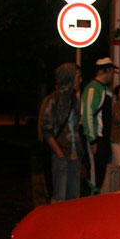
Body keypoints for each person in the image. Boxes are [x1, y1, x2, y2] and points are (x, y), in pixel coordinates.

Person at [41, 63, 82, 203]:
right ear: (69, 78)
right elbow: (46, 130)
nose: (80, 80)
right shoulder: (54, 100)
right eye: (77, 76)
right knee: (59, 197)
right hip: (62, 154)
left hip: (74, 154)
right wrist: (59, 152)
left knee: (73, 198)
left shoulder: (73, 98)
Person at [81, 57, 117, 193]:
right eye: (112, 70)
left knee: (100, 174)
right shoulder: (92, 89)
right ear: (107, 70)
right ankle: (90, 201)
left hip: (104, 138)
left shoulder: (106, 90)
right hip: (97, 138)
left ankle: (94, 197)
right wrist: (92, 140)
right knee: (94, 176)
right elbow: (87, 114)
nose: (113, 74)